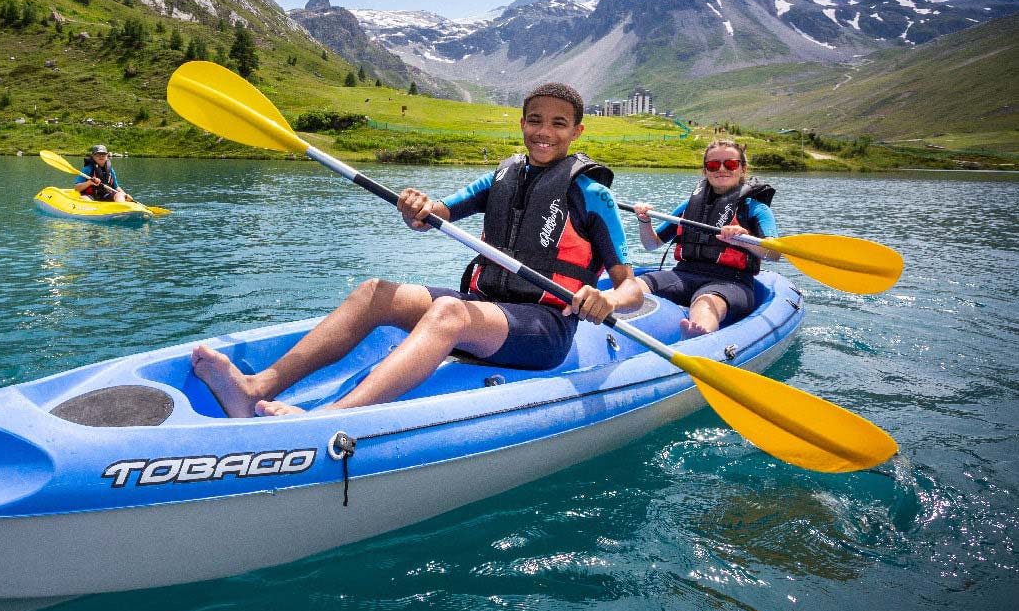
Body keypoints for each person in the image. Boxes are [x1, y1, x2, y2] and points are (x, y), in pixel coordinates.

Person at [191, 82, 641, 417]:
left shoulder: (590, 193)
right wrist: (417, 206)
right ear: (522, 123)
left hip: (543, 328)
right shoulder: (502, 177)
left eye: (558, 124)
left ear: (577, 131)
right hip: (487, 308)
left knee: (447, 312)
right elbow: (429, 218)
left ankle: (332, 418)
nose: (545, 132)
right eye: (536, 121)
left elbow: (631, 288)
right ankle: (255, 388)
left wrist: (606, 298)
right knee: (373, 292)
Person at [631, 140, 781, 337]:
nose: (721, 169)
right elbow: (652, 244)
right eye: (713, 165)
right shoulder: (689, 206)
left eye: (731, 164)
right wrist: (644, 221)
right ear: (705, 171)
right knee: (633, 287)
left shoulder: (755, 208)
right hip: (682, 275)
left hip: (731, 282)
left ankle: (699, 337)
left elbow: (775, 253)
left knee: (705, 303)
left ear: (743, 169)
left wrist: (742, 239)